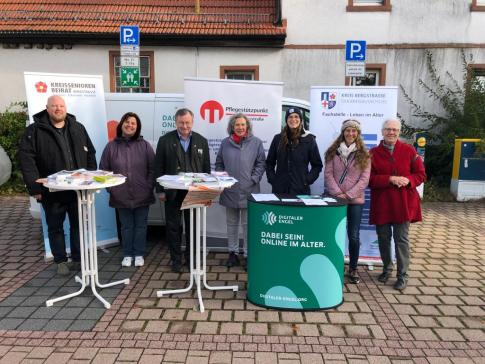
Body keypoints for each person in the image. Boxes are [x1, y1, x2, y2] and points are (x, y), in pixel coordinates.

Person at [18, 95, 97, 275]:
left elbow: (90, 154)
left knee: (78, 226)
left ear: (65, 108)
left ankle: (78, 258)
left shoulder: (78, 128)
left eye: (61, 106)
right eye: (54, 106)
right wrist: (35, 188)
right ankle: (60, 260)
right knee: (55, 227)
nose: (58, 109)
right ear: (47, 108)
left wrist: (90, 177)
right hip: (51, 191)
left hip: (77, 190)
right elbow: (27, 160)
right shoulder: (34, 131)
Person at [369, 118, 426, 291]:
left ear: (399, 132)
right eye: (388, 129)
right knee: (383, 239)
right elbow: (369, 179)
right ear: (382, 131)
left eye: (394, 129)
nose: (391, 132)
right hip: (382, 204)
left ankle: (403, 275)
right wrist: (390, 179)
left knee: (401, 240)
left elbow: (421, 174)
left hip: (403, 203)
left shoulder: (409, 150)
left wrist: (408, 180)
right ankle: (387, 269)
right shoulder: (372, 153)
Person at [154, 108, 210, 273]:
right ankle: (176, 260)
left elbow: (206, 169)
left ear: (192, 122)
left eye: (187, 122)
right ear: (176, 122)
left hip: (195, 192)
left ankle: (191, 259)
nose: (185, 126)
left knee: (193, 226)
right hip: (172, 193)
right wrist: (160, 190)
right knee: (173, 228)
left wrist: (206, 193)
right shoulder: (165, 140)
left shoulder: (201, 141)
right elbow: (158, 167)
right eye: (181, 122)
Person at [99, 112, 155, 268]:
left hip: (142, 194)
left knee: (141, 226)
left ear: (137, 127)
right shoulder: (111, 146)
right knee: (126, 226)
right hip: (120, 195)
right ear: (122, 124)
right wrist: (112, 189)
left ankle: (139, 254)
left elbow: (153, 168)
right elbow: (103, 171)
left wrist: (148, 186)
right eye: (127, 122)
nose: (130, 125)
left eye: (133, 123)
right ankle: (127, 254)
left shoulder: (144, 145)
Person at [215, 113, 266, 268]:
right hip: (230, 190)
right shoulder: (225, 143)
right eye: (237, 125)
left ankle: (248, 255)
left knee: (247, 225)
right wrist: (222, 179)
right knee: (231, 224)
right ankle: (233, 253)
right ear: (232, 127)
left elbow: (261, 163)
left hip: (249, 190)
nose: (240, 127)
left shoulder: (256, 143)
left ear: (247, 126)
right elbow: (219, 163)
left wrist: (253, 179)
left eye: (243, 125)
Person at [324, 119, 370, 284]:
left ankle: (353, 267)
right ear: (343, 132)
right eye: (347, 130)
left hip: (355, 201)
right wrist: (338, 194)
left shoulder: (364, 154)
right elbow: (328, 174)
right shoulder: (332, 152)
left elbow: (364, 179)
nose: (350, 134)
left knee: (353, 235)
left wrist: (348, 194)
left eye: (354, 131)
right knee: (333, 234)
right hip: (335, 200)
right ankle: (334, 264)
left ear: (357, 134)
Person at [266, 107, 323, 194]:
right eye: (290, 117)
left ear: (301, 119)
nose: (293, 119)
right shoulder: (278, 138)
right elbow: (269, 163)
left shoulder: (309, 139)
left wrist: (307, 181)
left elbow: (317, 165)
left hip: (301, 190)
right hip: (280, 190)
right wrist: (273, 180)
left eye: (296, 116)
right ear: (286, 120)